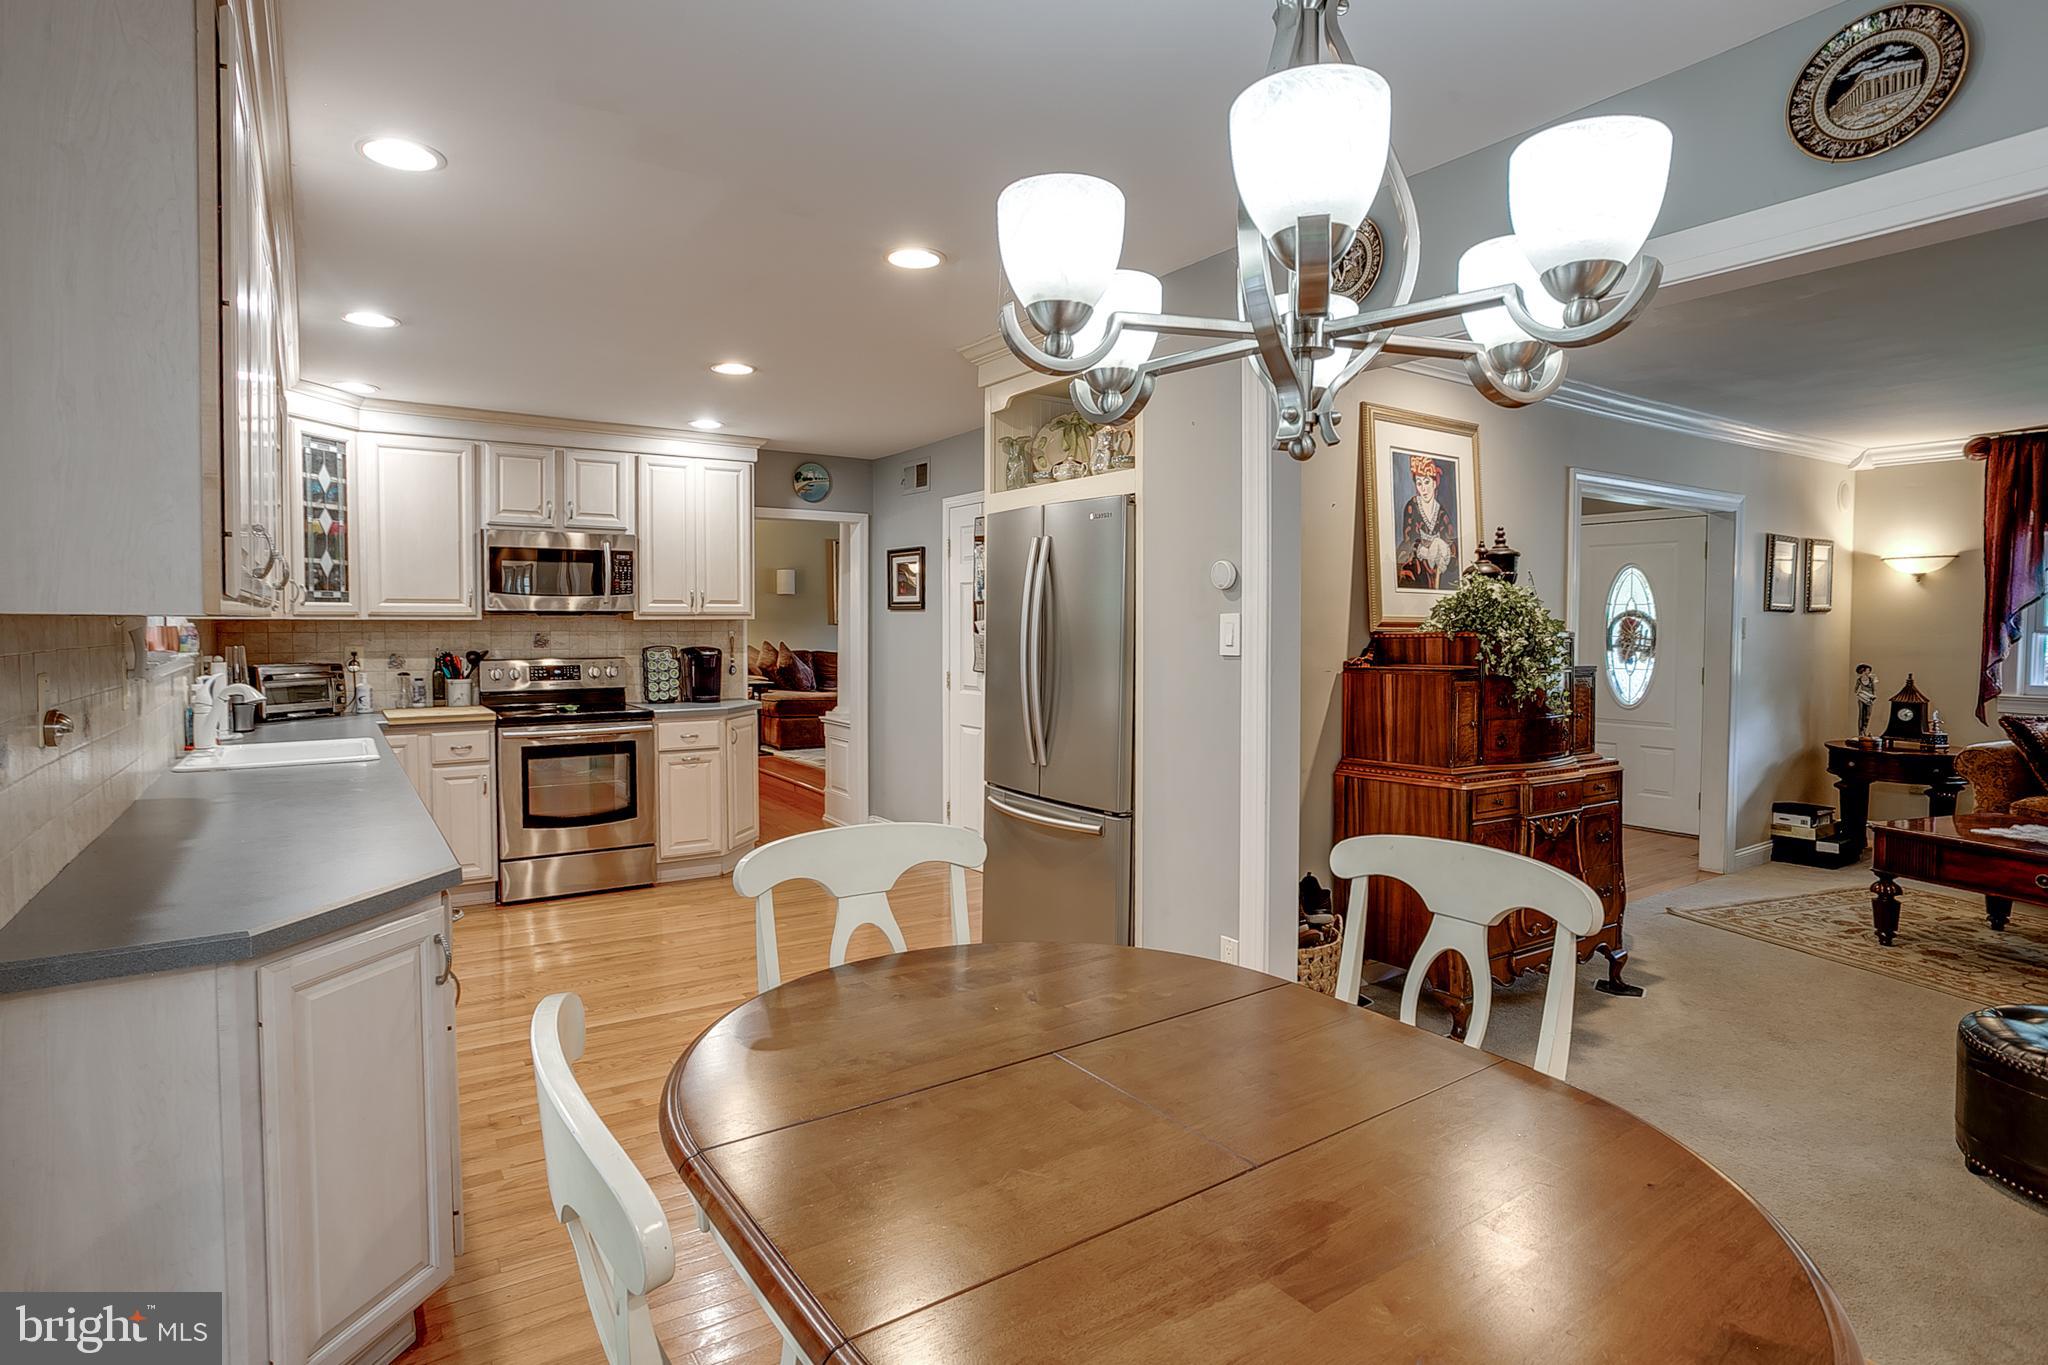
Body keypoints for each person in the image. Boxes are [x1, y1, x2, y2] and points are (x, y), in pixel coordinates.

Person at [1395, 453, 1458, 590]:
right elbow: (1409, 538)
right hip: (1416, 557)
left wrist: (1444, 549)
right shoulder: (1412, 506)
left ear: (1434, 483)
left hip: (1437, 561)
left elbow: (1449, 538)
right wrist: (1423, 551)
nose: (1423, 488)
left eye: (1427, 482)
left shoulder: (1441, 511)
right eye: (1419, 483)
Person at [1854, 663, 1877, 739]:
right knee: (1861, 715)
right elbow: (1855, 689)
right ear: (1863, 671)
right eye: (1868, 670)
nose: (1869, 671)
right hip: (1862, 698)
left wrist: (1873, 696)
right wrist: (1860, 693)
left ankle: (1864, 729)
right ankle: (1860, 732)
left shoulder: (1871, 679)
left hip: (1869, 698)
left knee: (1867, 715)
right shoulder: (1859, 680)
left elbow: (1874, 689)